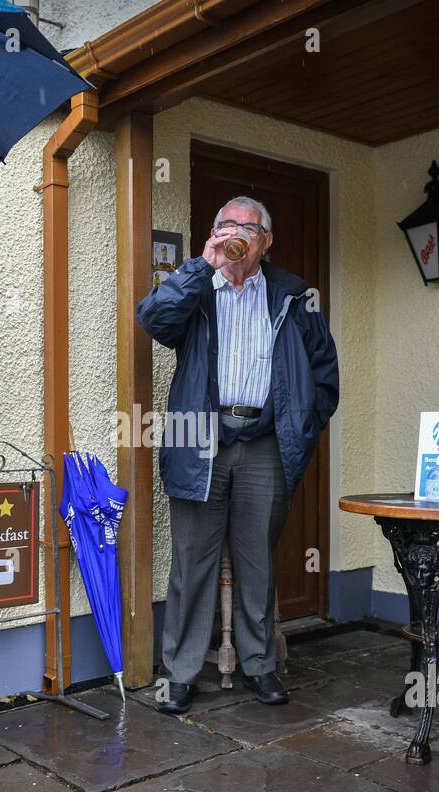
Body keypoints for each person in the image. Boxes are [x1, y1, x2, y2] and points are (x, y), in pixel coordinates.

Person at [136, 196, 339, 714]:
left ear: (266, 241)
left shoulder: (294, 296)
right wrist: (201, 265)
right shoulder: (197, 290)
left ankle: (260, 665)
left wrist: (301, 424)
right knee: (191, 562)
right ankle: (179, 673)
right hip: (201, 439)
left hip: (265, 443)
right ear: (213, 233)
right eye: (226, 224)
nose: (237, 233)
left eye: (248, 227)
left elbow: (324, 373)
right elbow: (154, 319)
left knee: (256, 562)